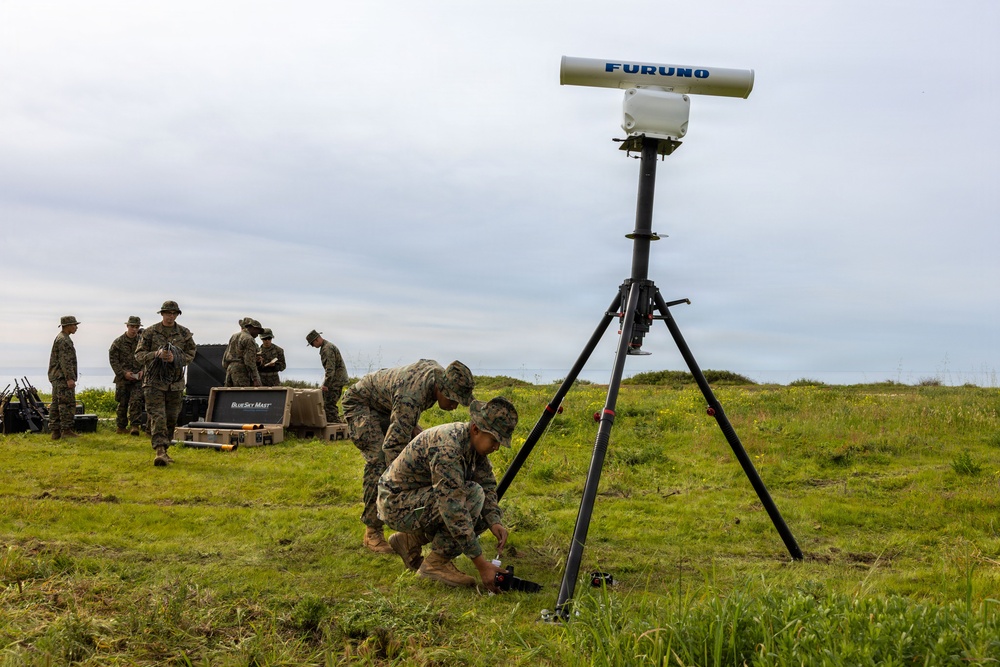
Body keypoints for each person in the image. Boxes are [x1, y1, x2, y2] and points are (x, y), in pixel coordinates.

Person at [377, 396, 517, 591]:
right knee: (472, 496)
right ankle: (435, 564)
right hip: (395, 504)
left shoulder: (473, 445)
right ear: (476, 429)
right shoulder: (448, 448)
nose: (496, 447)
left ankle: (409, 541)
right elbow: (453, 510)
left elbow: (487, 484)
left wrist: (494, 521)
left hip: (415, 500)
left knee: (482, 506)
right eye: (494, 440)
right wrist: (482, 565)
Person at [343, 359, 475, 554]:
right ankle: (372, 531)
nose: (455, 406)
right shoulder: (412, 396)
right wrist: (402, 487)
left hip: (389, 404)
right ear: (440, 387)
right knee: (379, 461)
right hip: (361, 405)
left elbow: (404, 414)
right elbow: (393, 446)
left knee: (419, 442)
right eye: (453, 399)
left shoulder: (433, 381)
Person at [135, 300, 197, 467]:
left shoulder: (184, 333)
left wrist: (176, 358)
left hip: (175, 384)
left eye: (173, 313)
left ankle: (165, 448)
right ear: (162, 314)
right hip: (154, 382)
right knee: (158, 416)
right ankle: (160, 450)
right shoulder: (149, 332)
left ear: (177, 315)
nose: (170, 316)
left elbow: (191, 353)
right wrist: (156, 354)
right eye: (168, 313)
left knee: (171, 417)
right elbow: (139, 355)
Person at [108, 316, 144, 435]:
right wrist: (123, 373)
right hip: (123, 378)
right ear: (127, 326)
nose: (134, 329)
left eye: (136, 327)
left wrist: (143, 371)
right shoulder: (118, 342)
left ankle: (135, 426)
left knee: (136, 401)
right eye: (132, 326)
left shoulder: (142, 342)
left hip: (138, 378)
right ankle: (121, 426)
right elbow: (113, 360)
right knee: (122, 403)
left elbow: (147, 358)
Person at [48, 315, 80, 440]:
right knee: (66, 403)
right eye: (74, 325)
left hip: (57, 377)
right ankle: (66, 430)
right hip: (62, 378)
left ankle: (55, 432)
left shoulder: (61, 338)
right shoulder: (64, 340)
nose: (76, 327)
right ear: (67, 326)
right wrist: (69, 378)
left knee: (56, 404)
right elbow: (65, 361)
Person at [306, 329, 348, 424]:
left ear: (316, 340)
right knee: (328, 404)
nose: (313, 346)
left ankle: (337, 427)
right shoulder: (327, 346)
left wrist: (326, 384)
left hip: (335, 381)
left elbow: (330, 369)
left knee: (329, 405)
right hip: (337, 380)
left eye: (312, 344)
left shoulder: (327, 349)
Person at [223, 318, 263, 387]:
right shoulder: (249, 339)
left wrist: (228, 368)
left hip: (230, 369)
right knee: (243, 395)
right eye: (258, 332)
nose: (257, 335)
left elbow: (226, 355)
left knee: (229, 395)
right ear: (253, 328)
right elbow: (249, 361)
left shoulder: (234, 336)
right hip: (242, 371)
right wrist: (255, 378)